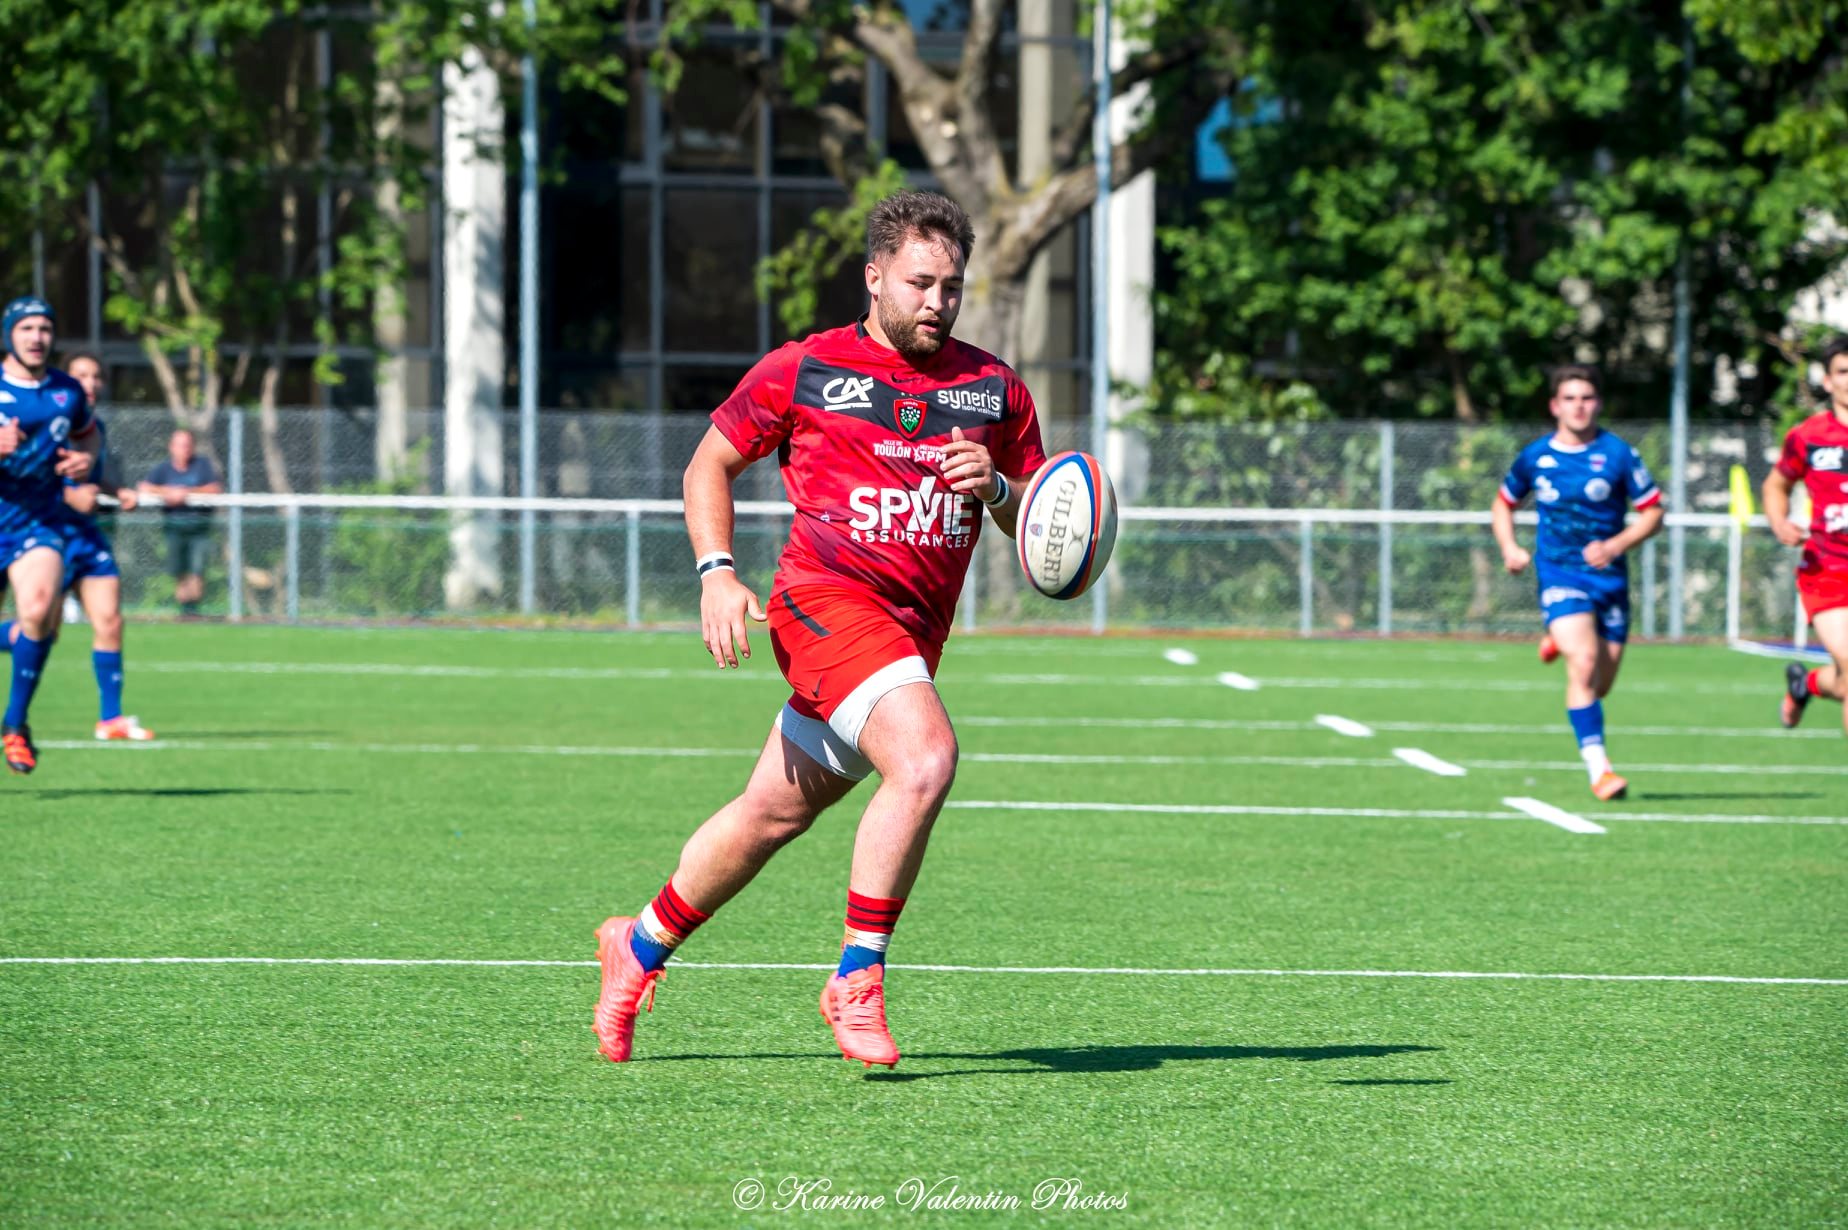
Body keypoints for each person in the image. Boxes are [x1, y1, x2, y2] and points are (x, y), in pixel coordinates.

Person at [593, 191, 1047, 1070]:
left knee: (769, 814)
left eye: (952, 287)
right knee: (923, 760)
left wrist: (997, 487)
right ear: (874, 277)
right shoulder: (805, 370)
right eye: (920, 283)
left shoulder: (993, 389)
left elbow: (1038, 520)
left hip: (908, 638)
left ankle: (639, 944)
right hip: (822, 603)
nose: (937, 303)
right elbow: (709, 462)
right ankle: (856, 977)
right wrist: (716, 573)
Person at [1492, 365, 1664, 801]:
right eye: (1570, 398)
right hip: (1559, 572)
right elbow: (1503, 503)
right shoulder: (1534, 457)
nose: (1579, 406)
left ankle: (1558, 636)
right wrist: (1510, 548)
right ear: (1555, 406)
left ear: (1598, 403)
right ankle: (1600, 770)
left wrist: (1615, 545)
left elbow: (1653, 512)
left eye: (1587, 397)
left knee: (1600, 684)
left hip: (1609, 581)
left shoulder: (1620, 454)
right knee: (1583, 663)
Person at [0, 352, 155, 741]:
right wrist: (71, 497)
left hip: (84, 536)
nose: (90, 382)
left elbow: (86, 476)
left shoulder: (91, 425)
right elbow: (34, 477)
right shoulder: (44, 414)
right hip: (43, 531)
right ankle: (17, 718)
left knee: (110, 620)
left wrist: (116, 492)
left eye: (96, 375)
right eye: (81, 374)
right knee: (40, 630)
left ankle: (111, 717)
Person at [0, 296, 100, 774]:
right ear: (9, 335)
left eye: (44, 328)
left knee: (40, 609)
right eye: (27, 328)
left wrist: (86, 461)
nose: (37, 337)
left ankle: (15, 725)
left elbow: (88, 433)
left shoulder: (67, 390)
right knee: (28, 630)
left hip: (36, 520)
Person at [1766, 334, 1848, 738]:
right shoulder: (1810, 436)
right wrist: (1780, 521)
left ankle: (1807, 684)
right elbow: (1776, 485)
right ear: (1828, 380)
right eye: (1843, 372)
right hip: (1828, 570)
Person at [140, 428, 222, 615]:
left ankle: (193, 610)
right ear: (171, 447)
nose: (183, 449)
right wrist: (168, 493)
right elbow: (145, 487)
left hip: (199, 527)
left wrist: (187, 493)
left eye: (187, 445)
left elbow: (214, 488)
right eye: (179, 445)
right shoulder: (163, 469)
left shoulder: (202, 466)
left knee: (197, 569)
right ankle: (184, 610)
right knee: (179, 570)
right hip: (174, 527)